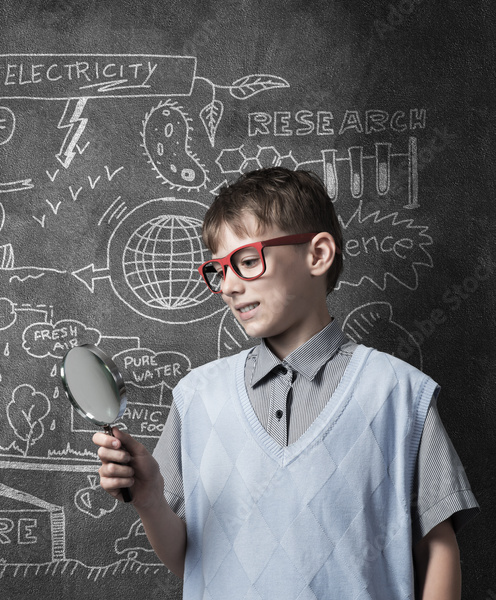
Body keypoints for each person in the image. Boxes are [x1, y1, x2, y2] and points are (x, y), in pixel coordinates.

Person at [93, 167, 478, 599]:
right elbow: (190, 558)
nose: (229, 287)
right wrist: (149, 501)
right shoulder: (197, 397)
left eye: (248, 260)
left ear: (317, 255)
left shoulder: (400, 393)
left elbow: (439, 549)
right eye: (219, 270)